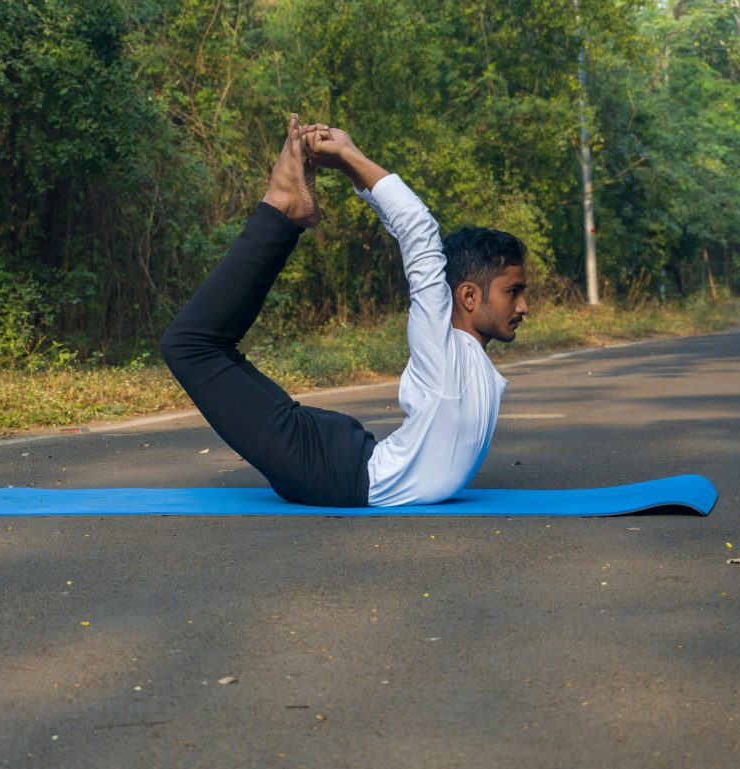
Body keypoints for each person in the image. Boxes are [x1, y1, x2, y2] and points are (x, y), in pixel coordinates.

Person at [160, 114, 529, 507]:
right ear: (469, 297)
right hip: (324, 470)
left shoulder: (468, 358)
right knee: (191, 346)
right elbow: (418, 231)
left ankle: (286, 213)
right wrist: (351, 158)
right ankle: (281, 208)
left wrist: (353, 167)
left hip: (341, 459)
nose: (523, 306)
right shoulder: (441, 346)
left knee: (212, 351)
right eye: (513, 292)